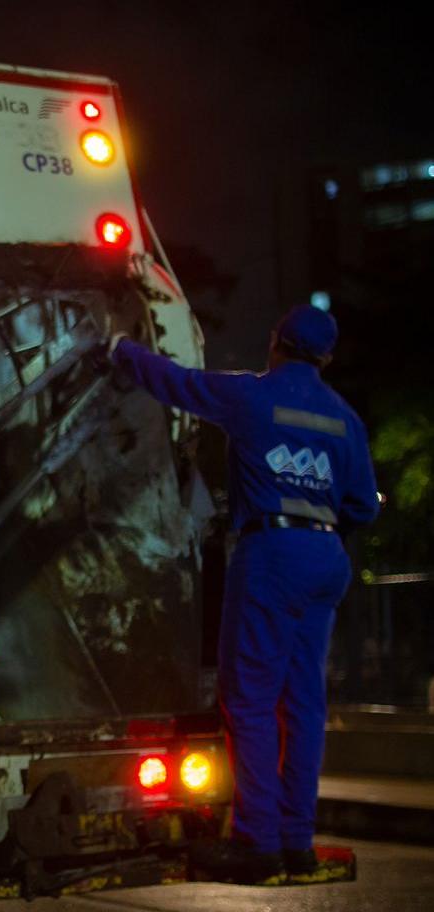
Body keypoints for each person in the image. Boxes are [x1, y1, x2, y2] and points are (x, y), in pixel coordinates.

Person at [109, 305, 379, 882]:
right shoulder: (345, 418)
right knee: (303, 706)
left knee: (251, 701)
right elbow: (361, 505)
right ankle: (295, 842)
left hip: (272, 553)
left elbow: (177, 384)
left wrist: (120, 351)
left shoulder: (252, 396)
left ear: (276, 341)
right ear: (326, 358)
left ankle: (257, 842)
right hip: (325, 557)